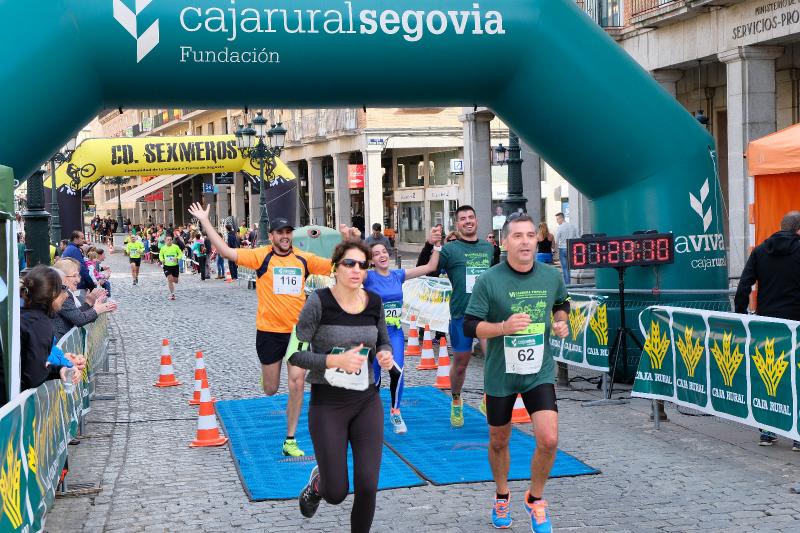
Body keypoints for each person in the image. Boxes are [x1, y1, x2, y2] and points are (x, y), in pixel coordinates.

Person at [189, 202, 345, 457]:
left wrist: (348, 242)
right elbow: (227, 252)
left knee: (296, 384)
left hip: (299, 333)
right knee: (271, 389)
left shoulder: (304, 259)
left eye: (288, 232)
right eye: (279, 232)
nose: (284, 236)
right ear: (271, 236)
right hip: (269, 332)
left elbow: (336, 266)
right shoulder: (261, 256)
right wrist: (205, 221)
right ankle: (268, 376)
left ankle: (290, 440)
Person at [464, 213, 570, 531]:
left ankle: (535, 499)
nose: (525, 241)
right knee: (499, 440)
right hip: (501, 372)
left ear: (536, 239)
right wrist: (503, 327)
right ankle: (501, 494)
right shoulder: (489, 280)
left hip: (539, 370)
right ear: (505, 241)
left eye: (529, 235)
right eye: (517, 236)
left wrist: (561, 319)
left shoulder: (550, 276)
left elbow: (561, 303)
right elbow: (470, 324)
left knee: (549, 439)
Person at [291, 240, 394, 532]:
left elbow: (382, 339)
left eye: (363, 264)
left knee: (367, 484)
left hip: (366, 401)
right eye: (350, 263)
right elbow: (295, 354)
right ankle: (318, 483)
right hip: (328, 404)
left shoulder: (374, 302)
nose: (357, 270)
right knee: (336, 492)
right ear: (336, 267)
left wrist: (384, 354)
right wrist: (333, 362)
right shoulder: (318, 302)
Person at [734, 210, 800, 451]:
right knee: (797, 378)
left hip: (767, 325)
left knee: (769, 377)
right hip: (796, 325)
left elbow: (744, 285)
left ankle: (767, 431)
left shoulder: (760, 250)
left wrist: (741, 315)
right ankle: (797, 435)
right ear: (798, 229)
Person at [364, 231, 441, 433]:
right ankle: (370, 413)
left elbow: (431, 267)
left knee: (397, 371)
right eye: (376, 253)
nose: (381, 255)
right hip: (374, 334)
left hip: (395, 332)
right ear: (371, 260)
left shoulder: (398, 275)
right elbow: (345, 271)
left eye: (384, 252)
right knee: (375, 375)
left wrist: (436, 246)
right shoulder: (367, 277)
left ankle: (395, 412)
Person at [437, 205, 498, 427]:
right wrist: (430, 246)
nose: (468, 221)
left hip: (486, 315)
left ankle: (488, 397)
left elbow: (498, 276)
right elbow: (431, 269)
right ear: (457, 224)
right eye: (463, 219)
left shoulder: (489, 248)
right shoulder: (450, 250)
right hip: (461, 314)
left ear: (477, 220)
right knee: (461, 362)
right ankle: (456, 399)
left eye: (471, 217)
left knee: (493, 356)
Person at [20, 265, 85, 391]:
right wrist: (59, 366)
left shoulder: (22, 313)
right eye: (65, 289)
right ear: (53, 292)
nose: (67, 296)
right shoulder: (39, 323)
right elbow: (34, 376)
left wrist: (61, 364)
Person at [52, 258, 116, 340]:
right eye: (74, 275)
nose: (78, 280)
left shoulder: (65, 293)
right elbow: (79, 319)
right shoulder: (61, 295)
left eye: (78, 275)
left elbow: (76, 314)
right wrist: (98, 310)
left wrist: (89, 303)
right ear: (62, 277)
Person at [554, 212, 580, 286]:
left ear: (562, 218)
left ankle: (567, 284)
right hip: (571, 248)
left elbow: (556, 240)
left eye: (557, 219)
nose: (557, 221)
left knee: (565, 268)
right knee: (569, 267)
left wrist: (556, 252)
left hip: (562, 249)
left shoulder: (560, 228)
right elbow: (577, 237)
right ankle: (569, 283)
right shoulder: (573, 226)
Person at [159, 234, 183, 300]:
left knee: (175, 281)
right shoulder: (163, 248)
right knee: (170, 279)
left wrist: (177, 258)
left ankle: (175, 280)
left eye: (170, 240)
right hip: (167, 266)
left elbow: (180, 254)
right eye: (168, 240)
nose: (169, 241)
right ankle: (172, 294)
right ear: (165, 241)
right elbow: (160, 255)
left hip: (175, 266)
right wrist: (162, 260)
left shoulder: (176, 247)